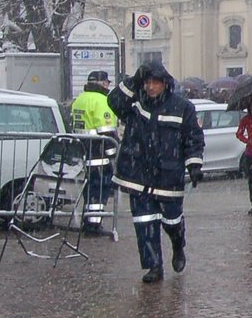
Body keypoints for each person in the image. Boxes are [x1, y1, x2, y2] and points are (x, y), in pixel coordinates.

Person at [108, 62, 204, 284]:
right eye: (147, 82)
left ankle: (178, 245)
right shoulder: (134, 104)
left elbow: (193, 138)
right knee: (144, 222)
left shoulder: (182, 107)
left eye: (155, 83)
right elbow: (113, 101)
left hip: (168, 176)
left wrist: (194, 165)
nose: (151, 87)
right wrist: (133, 80)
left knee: (171, 221)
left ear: (165, 84)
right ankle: (154, 266)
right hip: (138, 175)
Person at [69, 70, 119, 234]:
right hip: (98, 153)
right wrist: (114, 154)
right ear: (102, 83)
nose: (107, 86)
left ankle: (88, 220)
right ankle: (94, 223)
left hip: (83, 152)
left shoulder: (79, 100)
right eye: (106, 83)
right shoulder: (103, 101)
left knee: (89, 189)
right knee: (99, 189)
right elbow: (107, 132)